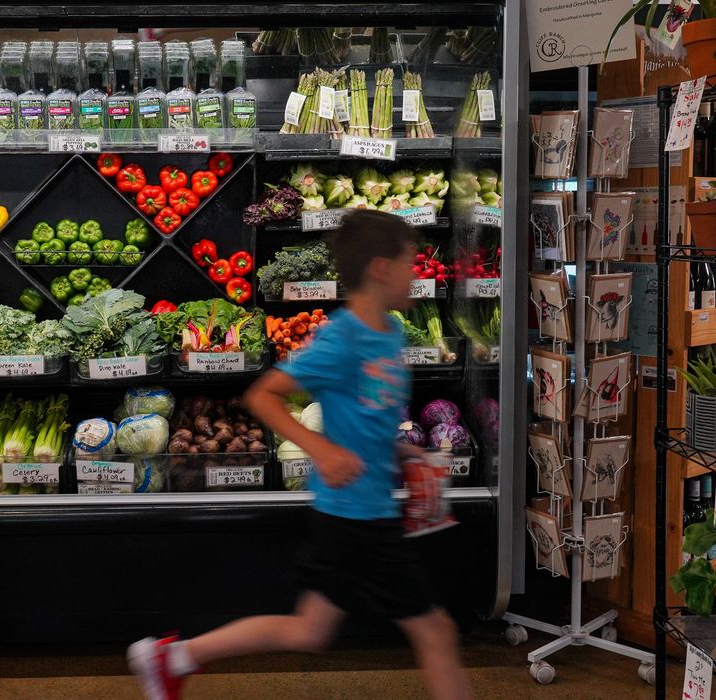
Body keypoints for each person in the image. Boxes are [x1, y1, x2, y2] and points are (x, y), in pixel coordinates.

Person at [127, 210, 474, 700]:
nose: (416, 273)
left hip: (360, 512)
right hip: (358, 517)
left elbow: (369, 413)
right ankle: (174, 657)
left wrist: (403, 451)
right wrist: (322, 449)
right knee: (436, 632)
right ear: (380, 268)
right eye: (408, 263)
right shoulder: (341, 338)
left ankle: (175, 657)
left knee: (308, 631)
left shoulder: (390, 334)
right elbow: (264, 395)